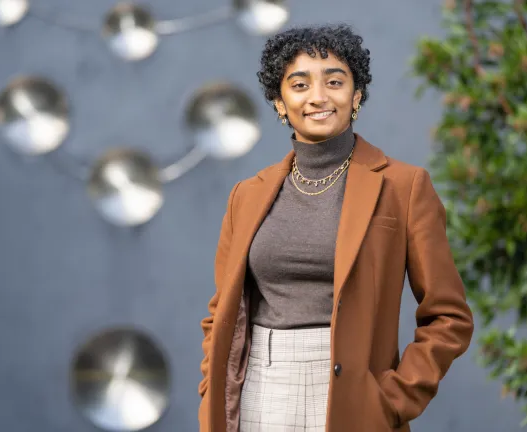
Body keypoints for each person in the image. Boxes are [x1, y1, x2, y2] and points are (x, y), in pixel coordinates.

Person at [197, 24, 474, 432]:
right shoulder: (246, 195)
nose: (318, 97)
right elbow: (220, 313)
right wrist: (212, 386)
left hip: (354, 397)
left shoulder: (404, 186)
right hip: (260, 388)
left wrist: (393, 400)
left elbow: (449, 316)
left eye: (334, 81)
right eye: (299, 84)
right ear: (279, 102)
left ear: (356, 95)